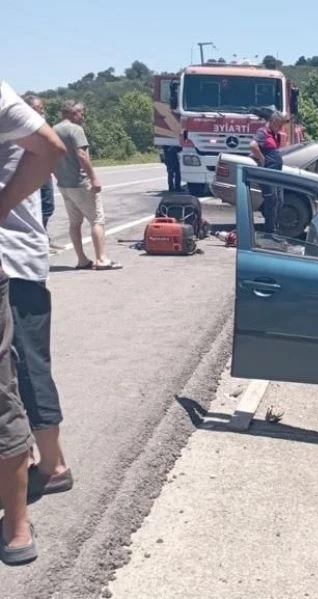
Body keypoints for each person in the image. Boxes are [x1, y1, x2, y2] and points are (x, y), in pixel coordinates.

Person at [0, 79, 66, 566]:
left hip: (15, 260)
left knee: (24, 371)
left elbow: (51, 151)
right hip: (20, 259)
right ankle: (53, 463)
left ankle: (54, 464)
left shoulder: (24, 131)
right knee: (28, 367)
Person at [52, 100, 121, 270]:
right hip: (80, 183)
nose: (83, 116)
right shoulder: (75, 130)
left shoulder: (53, 130)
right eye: (81, 112)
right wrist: (94, 178)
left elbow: (50, 155)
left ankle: (82, 259)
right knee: (97, 219)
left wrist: (57, 174)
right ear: (72, 113)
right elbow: (82, 155)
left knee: (74, 223)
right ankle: (101, 259)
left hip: (64, 184)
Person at [249, 108, 289, 236]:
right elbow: (253, 146)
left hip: (276, 173)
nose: (281, 127)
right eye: (279, 124)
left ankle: (274, 226)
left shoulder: (274, 134)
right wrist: (262, 159)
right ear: (272, 122)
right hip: (268, 172)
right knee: (271, 199)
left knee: (280, 200)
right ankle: (269, 230)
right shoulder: (263, 132)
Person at [21, 96, 56, 231]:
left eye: (42, 108)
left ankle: (43, 234)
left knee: (48, 205)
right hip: (28, 172)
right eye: (39, 108)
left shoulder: (42, 126)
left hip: (44, 170)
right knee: (31, 207)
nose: (42, 111)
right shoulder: (21, 126)